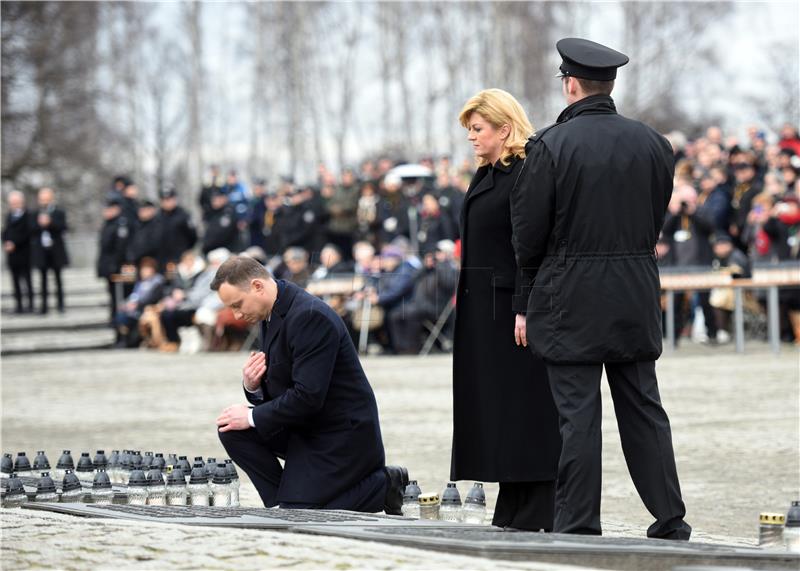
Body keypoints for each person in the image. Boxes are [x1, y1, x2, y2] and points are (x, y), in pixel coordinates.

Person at [510, 37, 691, 539]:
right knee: (644, 408)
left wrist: (524, 302)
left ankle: (579, 522)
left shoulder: (548, 146)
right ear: (608, 85)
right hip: (634, 290)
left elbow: (527, 238)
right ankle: (670, 516)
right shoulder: (655, 144)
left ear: (570, 83)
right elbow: (653, 218)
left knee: (578, 417)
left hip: (570, 296)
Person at [211, 255, 408, 512]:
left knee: (305, 512)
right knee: (231, 429)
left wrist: (250, 416)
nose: (237, 314)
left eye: (238, 304)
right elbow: (283, 385)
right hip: (304, 425)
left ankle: (382, 486)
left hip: (340, 434)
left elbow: (308, 397)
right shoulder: (269, 312)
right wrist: (253, 386)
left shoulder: (310, 316)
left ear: (258, 286)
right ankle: (282, 501)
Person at [451, 88, 561, 531]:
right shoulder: (489, 173)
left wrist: (525, 306)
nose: (472, 138)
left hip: (512, 308)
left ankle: (538, 505)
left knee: (525, 406)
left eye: (478, 129)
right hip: (485, 310)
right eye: (469, 130)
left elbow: (530, 246)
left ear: (505, 128)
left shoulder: (523, 174)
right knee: (500, 408)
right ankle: (514, 501)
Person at [31, 187, 69, 313]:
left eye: (46, 199)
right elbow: (31, 230)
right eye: (42, 199)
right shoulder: (35, 214)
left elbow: (63, 227)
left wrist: (50, 223)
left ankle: (61, 305)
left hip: (55, 250)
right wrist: (40, 224)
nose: (44, 201)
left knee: (58, 279)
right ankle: (44, 307)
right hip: (41, 251)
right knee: (42, 280)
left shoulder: (59, 212)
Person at [2, 191, 34, 313]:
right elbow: (5, 232)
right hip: (12, 255)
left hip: (24, 253)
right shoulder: (9, 216)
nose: (14, 205)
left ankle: (30, 305)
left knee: (27, 280)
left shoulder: (28, 216)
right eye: (12, 203)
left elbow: (27, 233)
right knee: (15, 281)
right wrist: (6, 242)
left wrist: (14, 243)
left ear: (22, 202)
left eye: (16, 202)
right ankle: (19, 305)